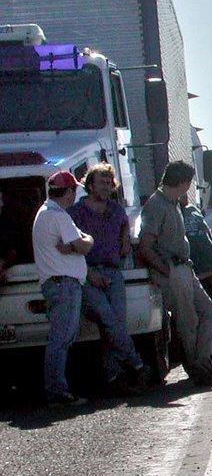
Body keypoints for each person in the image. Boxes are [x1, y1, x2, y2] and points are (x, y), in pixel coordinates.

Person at [138, 161, 212, 387]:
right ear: (182, 182)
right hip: (173, 270)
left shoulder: (173, 204)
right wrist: (167, 271)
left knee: (208, 311)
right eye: (188, 181)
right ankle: (199, 370)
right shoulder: (156, 205)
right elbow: (145, 246)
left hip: (185, 268)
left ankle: (203, 363)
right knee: (187, 322)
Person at [69, 164, 147, 396]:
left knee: (115, 326)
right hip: (88, 273)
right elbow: (70, 247)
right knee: (108, 319)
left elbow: (125, 227)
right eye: (101, 183)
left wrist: (125, 238)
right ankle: (137, 364)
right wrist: (88, 273)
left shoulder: (116, 210)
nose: (105, 187)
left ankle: (113, 376)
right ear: (90, 185)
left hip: (113, 272)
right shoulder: (76, 212)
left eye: (108, 183)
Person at [31, 171, 93, 406]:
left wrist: (78, 243)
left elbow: (75, 245)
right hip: (64, 284)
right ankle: (56, 390)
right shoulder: (58, 216)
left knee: (61, 337)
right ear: (67, 192)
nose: (74, 196)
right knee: (61, 338)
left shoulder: (45, 212)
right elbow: (83, 245)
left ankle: (57, 388)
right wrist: (88, 238)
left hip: (56, 283)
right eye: (73, 191)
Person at [178, 194, 212, 318]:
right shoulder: (173, 213)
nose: (185, 195)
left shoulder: (193, 209)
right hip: (194, 273)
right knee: (201, 314)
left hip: (208, 269)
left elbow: (208, 233)